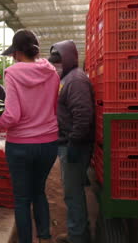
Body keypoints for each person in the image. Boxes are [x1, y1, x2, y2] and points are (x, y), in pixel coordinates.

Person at [0, 29, 60, 243]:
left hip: (21, 145)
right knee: (39, 192)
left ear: (16, 53)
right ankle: (45, 237)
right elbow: (54, 107)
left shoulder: (12, 73)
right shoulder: (52, 72)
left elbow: (12, 116)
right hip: (49, 143)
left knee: (22, 199)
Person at [49, 40, 95, 243]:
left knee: (73, 194)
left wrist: (75, 142)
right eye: (54, 61)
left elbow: (83, 114)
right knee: (72, 193)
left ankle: (78, 238)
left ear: (68, 58)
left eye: (58, 60)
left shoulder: (75, 80)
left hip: (74, 145)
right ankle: (77, 233)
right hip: (68, 143)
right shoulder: (66, 78)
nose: (56, 64)